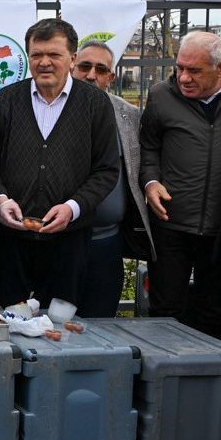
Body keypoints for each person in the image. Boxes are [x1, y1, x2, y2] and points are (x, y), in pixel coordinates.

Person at [0, 19, 119, 307]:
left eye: (54, 54)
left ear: (72, 59)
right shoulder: (7, 100)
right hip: (10, 240)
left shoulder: (95, 105)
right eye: (37, 54)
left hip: (69, 241)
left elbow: (105, 171)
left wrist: (72, 208)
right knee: (10, 321)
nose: (44, 62)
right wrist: (0, 201)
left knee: (61, 329)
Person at [139, 30, 221, 340]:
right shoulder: (160, 95)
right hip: (171, 223)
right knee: (165, 309)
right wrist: (151, 182)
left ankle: (209, 379)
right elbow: (148, 147)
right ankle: (162, 379)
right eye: (180, 68)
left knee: (216, 310)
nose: (184, 77)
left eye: (194, 70)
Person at [71, 40, 153, 317]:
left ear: (111, 77)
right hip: (63, 239)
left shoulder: (128, 115)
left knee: (101, 318)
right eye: (84, 66)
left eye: (100, 69)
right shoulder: (52, 110)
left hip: (108, 241)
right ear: (72, 67)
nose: (91, 75)